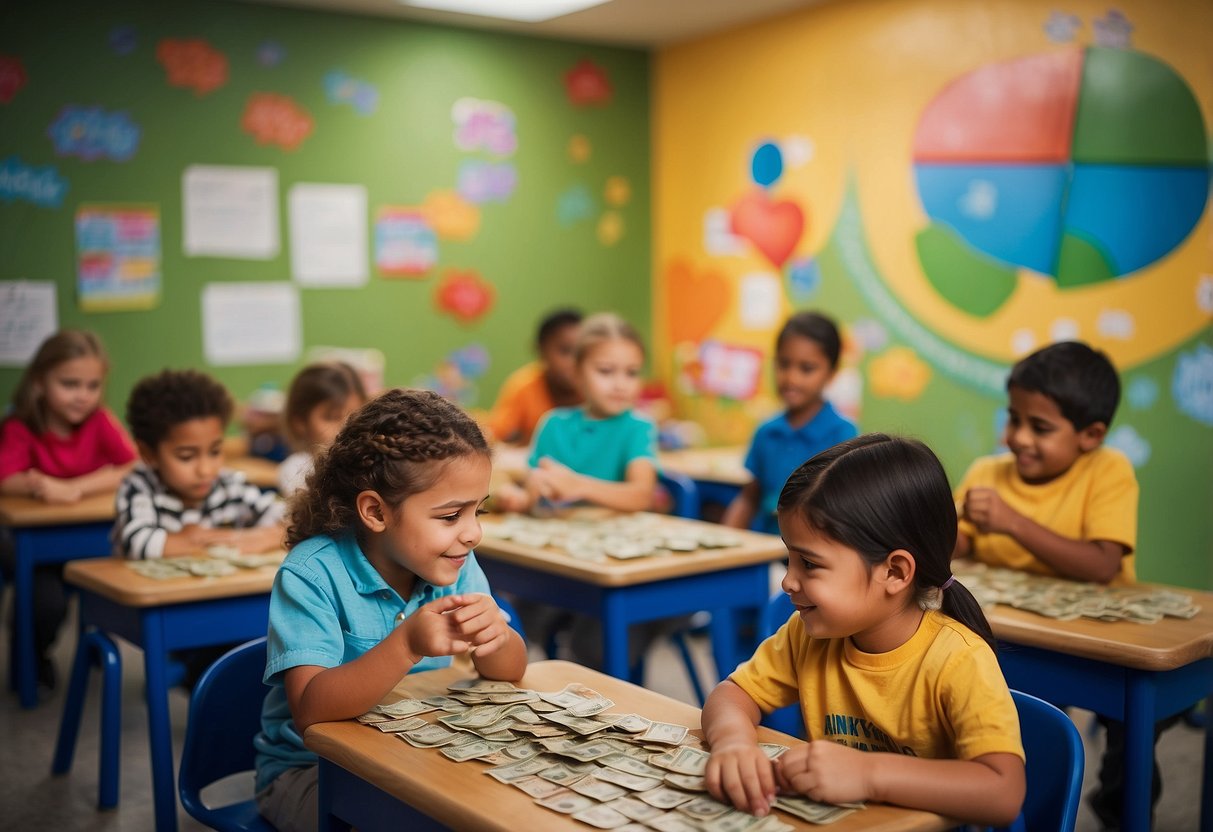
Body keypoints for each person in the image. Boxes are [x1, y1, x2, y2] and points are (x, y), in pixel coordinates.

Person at [703, 434, 1025, 827]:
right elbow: (732, 694)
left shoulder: (959, 659)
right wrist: (733, 742)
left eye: (809, 563)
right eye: (789, 557)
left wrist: (868, 774)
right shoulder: (807, 635)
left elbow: (1003, 792)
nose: (788, 581)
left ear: (894, 572)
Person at [253, 389, 527, 832]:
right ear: (376, 512)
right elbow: (309, 710)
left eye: (480, 510)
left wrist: (496, 638)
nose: (473, 532)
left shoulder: (453, 562)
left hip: (416, 755)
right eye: (451, 515)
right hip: (312, 773)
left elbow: (509, 672)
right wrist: (407, 644)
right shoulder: (310, 574)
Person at [951, 340, 1144, 829]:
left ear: (1091, 434)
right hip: (1010, 637)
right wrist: (944, 528)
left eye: (1039, 427)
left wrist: (1013, 521)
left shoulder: (1108, 470)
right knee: (1010, 728)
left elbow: (1102, 564)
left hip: (1103, 645)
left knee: (1136, 738)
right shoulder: (986, 473)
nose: (1016, 437)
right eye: (1013, 418)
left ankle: (1118, 806)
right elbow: (956, 549)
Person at [0, 330, 137, 691]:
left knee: (113, 579)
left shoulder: (100, 421)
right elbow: (6, 478)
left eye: (92, 386)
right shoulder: (21, 424)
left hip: (87, 538)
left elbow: (131, 465)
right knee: (46, 602)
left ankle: (92, 653)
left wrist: (74, 488)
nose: (83, 396)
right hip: (30, 543)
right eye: (70, 384)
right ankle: (31, 662)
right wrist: (39, 483)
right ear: (40, 381)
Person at [494, 312, 658, 514]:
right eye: (606, 371)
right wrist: (519, 499)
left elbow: (641, 496)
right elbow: (534, 492)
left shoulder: (638, 427)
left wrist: (579, 486)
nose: (620, 384)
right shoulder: (553, 423)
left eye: (631, 372)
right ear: (577, 372)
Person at [114, 368, 285, 559]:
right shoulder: (139, 487)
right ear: (148, 453)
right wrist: (235, 539)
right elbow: (137, 543)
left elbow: (288, 520)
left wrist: (207, 537)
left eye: (215, 452)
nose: (205, 470)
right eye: (186, 457)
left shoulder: (229, 485)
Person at [723, 311, 857, 535]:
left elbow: (847, 511)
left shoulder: (842, 435)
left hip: (815, 559)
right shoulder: (766, 432)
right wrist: (724, 540)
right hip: (768, 553)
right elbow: (749, 497)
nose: (791, 378)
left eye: (807, 368)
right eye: (784, 364)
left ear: (831, 373)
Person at [487, 307, 583, 446]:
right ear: (540, 350)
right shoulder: (523, 385)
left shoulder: (596, 387)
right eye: (565, 351)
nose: (574, 362)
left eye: (581, 353)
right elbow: (496, 434)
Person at [277, 362, 367, 496]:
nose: (345, 427)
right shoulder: (295, 470)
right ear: (300, 422)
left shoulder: (367, 462)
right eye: (332, 417)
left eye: (354, 416)